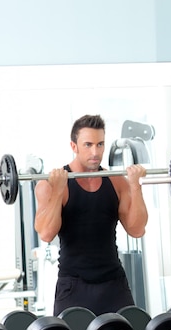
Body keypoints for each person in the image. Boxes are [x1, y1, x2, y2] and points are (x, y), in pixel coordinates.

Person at [34, 114, 149, 316]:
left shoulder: (116, 182)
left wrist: (135, 186)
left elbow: (137, 229)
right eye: (88, 145)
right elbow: (46, 233)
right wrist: (59, 190)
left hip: (114, 285)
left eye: (100, 144)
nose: (95, 152)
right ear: (73, 146)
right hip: (73, 287)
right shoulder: (50, 184)